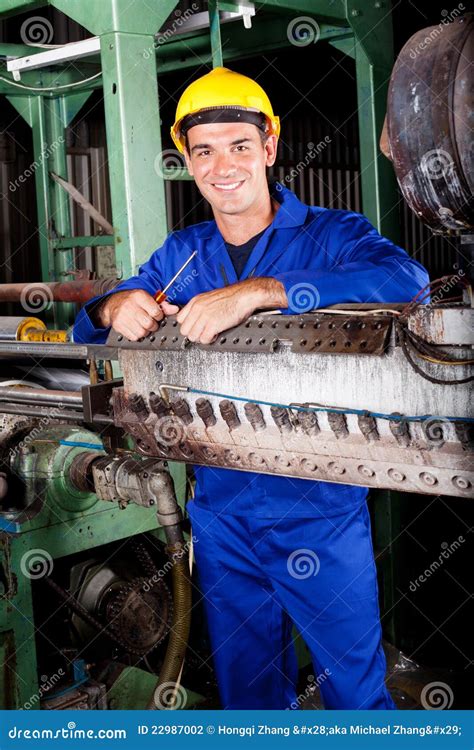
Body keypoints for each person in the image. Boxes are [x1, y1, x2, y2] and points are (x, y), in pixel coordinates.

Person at [74, 67, 428, 710]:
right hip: (220, 510)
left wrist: (264, 292)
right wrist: (113, 307)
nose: (222, 165)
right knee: (250, 694)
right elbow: (90, 325)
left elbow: (407, 280)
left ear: (269, 148)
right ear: (185, 158)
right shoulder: (183, 255)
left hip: (318, 508)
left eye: (240, 145)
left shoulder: (331, 234)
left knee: (354, 692)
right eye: (203, 151)